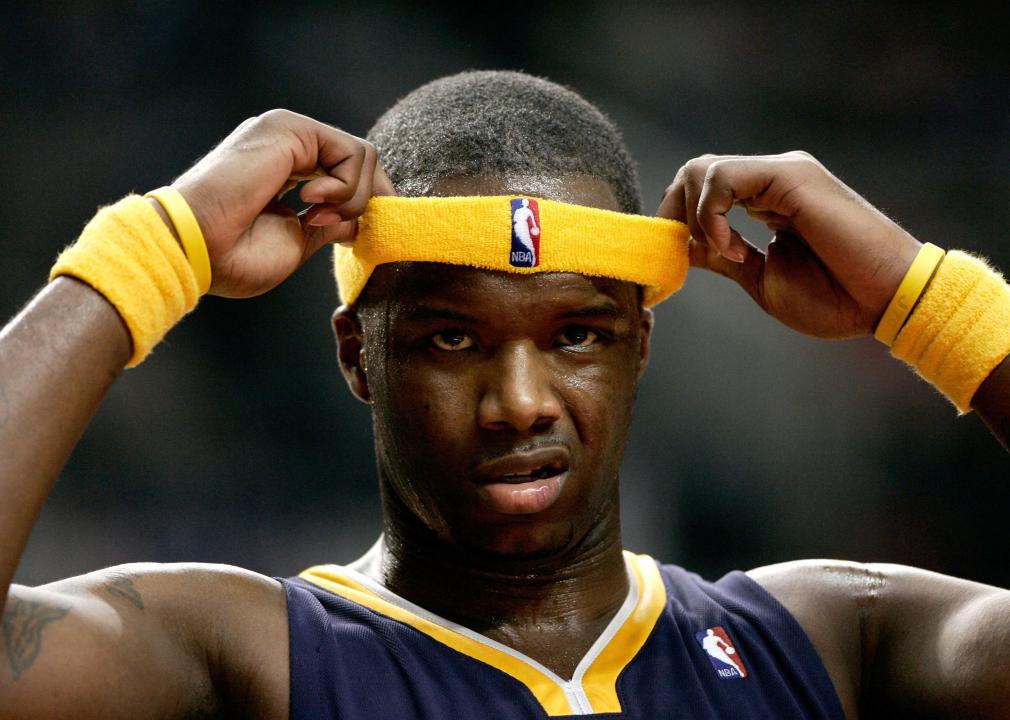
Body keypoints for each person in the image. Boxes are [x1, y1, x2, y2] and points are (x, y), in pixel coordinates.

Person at [1, 70, 1008, 719]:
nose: (520, 401)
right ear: (357, 355)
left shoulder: (827, 644)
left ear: (640, 347)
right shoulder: (245, 657)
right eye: (450, 338)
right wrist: (152, 251)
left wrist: (929, 305)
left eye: (575, 335)